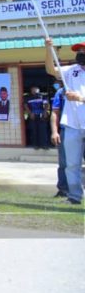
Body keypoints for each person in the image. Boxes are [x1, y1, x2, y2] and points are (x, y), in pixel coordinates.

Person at [45, 38, 85, 205]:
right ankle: (74, 196)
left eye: (82, 51)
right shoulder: (71, 70)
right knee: (71, 164)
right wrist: (48, 49)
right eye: (78, 52)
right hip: (72, 125)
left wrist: (80, 98)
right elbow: (50, 69)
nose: (80, 55)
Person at [50, 80, 68, 198]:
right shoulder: (61, 93)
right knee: (64, 162)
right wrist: (55, 132)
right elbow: (55, 112)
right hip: (67, 130)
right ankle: (63, 190)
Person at [24, 85, 50, 149]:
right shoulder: (27, 97)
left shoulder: (42, 96)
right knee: (33, 130)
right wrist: (30, 113)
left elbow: (46, 104)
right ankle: (35, 145)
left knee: (43, 130)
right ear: (31, 90)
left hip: (42, 116)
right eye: (33, 89)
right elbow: (25, 106)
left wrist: (45, 112)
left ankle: (44, 145)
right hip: (32, 116)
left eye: (36, 89)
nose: (34, 90)